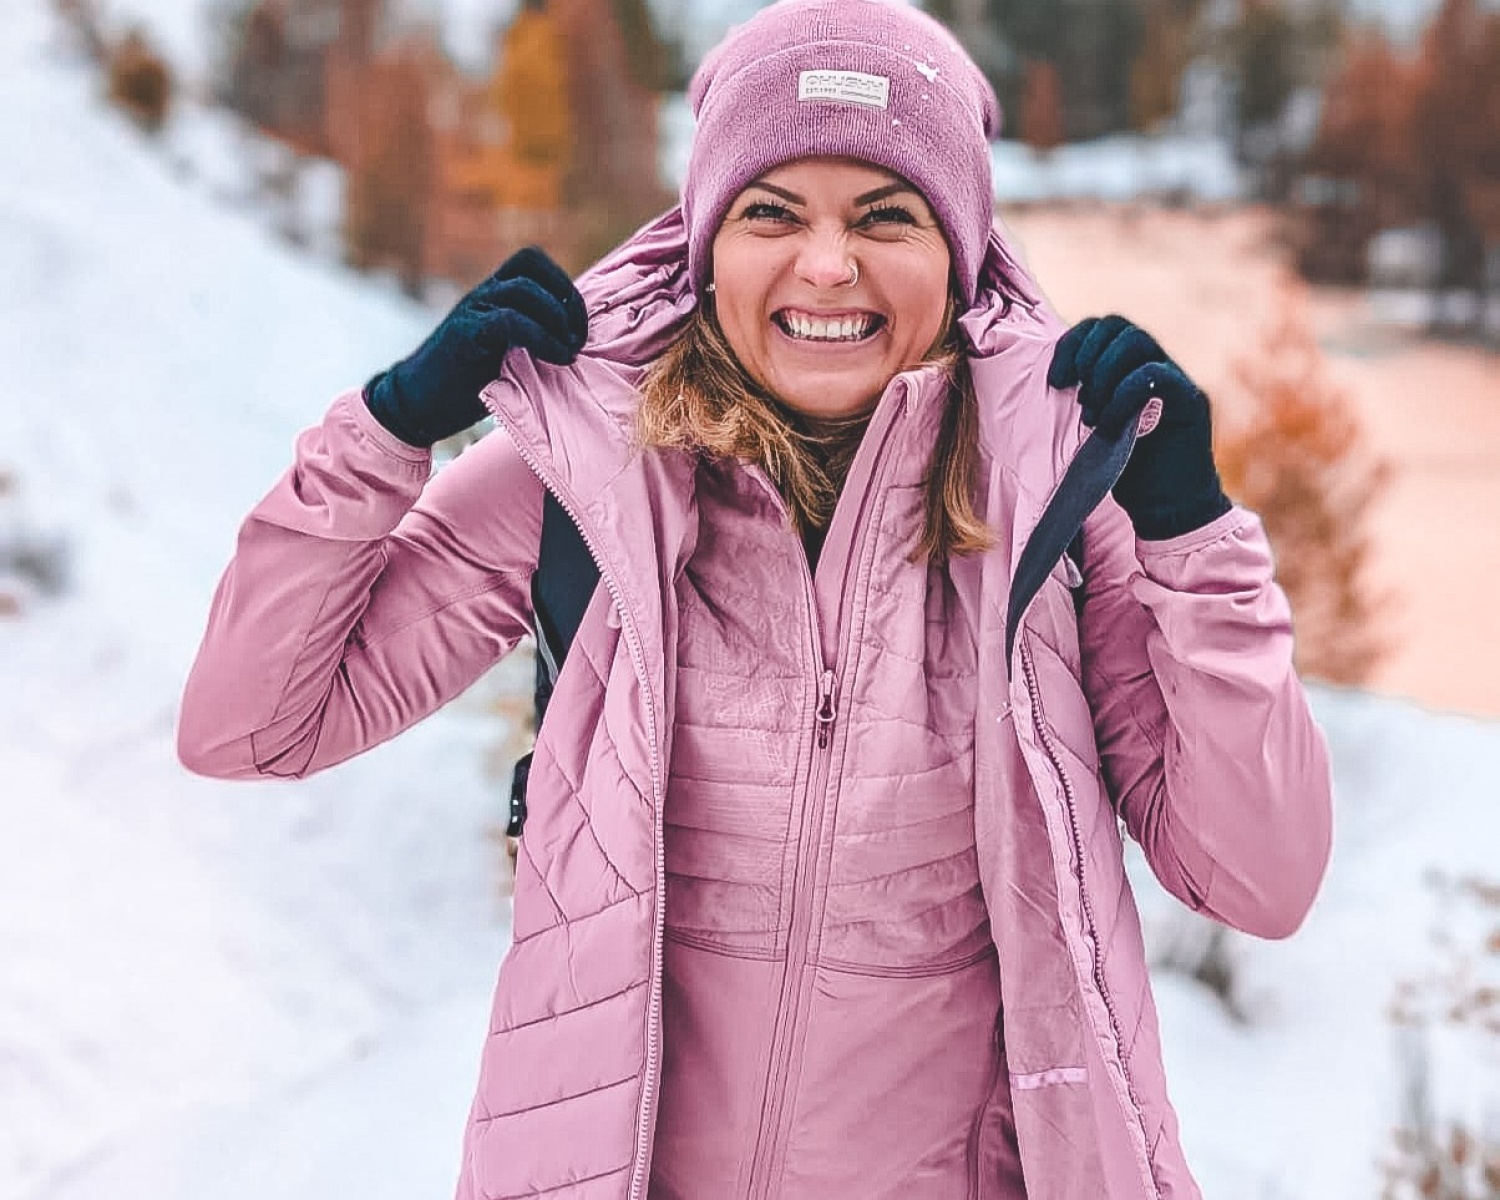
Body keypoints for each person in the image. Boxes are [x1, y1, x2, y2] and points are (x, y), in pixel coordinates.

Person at [177, 1, 1334, 1197]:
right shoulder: (588, 485)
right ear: (705, 244)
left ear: (962, 255)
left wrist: (1192, 533)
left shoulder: (1055, 516)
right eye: (771, 212)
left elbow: (1261, 877)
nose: (827, 264)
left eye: (887, 215)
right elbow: (249, 725)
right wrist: (388, 429)